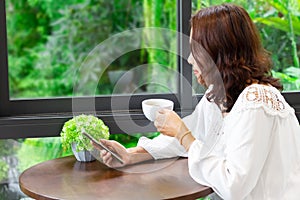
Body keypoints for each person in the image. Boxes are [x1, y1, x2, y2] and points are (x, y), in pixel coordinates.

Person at [97, 3, 300, 200]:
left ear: (220, 53)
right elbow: (189, 137)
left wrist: (181, 133)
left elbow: (233, 186)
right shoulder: (220, 96)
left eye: (196, 50)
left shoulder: (256, 101)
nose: (190, 59)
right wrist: (131, 154)